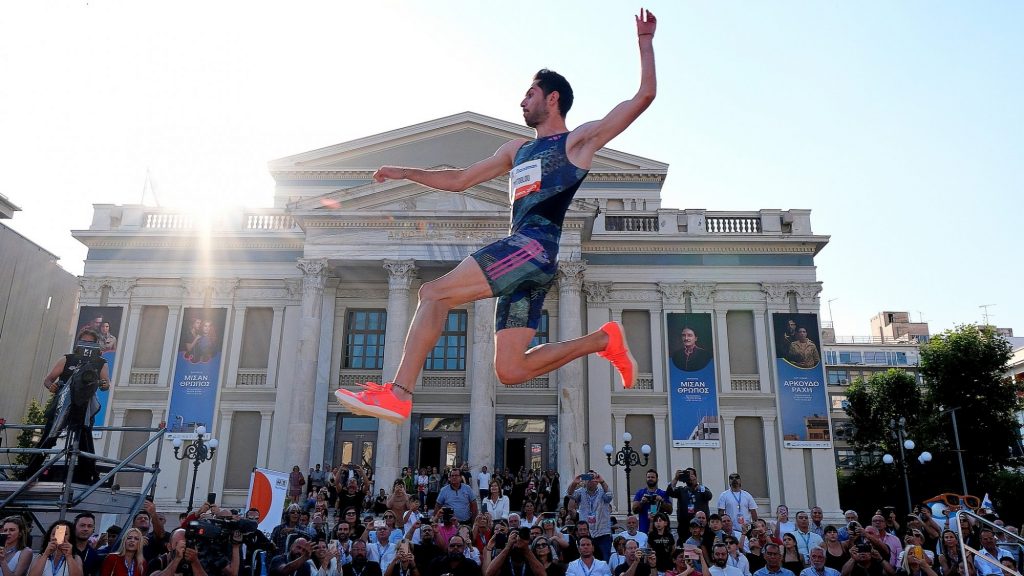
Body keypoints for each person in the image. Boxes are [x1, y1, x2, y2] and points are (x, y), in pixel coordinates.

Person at [336, 9, 659, 423]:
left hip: (531, 249)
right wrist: (405, 172)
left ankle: (398, 394)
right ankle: (602, 340)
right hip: (531, 266)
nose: (522, 101)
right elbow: (461, 179)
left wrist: (644, 43)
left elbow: (643, 97)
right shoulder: (516, 151)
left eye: (530, 94)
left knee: (433, 293)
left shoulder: (576, 143)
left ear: (552, 98)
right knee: (510, 369)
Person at [23, 328, 111, 483]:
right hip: (62, 404)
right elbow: (48, 380)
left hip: (85, 406)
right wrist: (51, 386)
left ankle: (88, 478)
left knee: (84, 442)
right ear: (78, 343)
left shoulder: (101, 363)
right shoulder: (66, 359)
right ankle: (28, 474)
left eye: (90, 343)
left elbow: (106, 384)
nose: (87, 346)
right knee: (48, 437)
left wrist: (104, 384)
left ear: (96, 345)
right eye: (84, 342)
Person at [572, 473, 614, 561]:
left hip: (602, 532)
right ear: (585, 480)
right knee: (587, 559)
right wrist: (574, 483)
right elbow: (570, 494)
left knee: (604, 560)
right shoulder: (581, 492)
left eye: (593, 478)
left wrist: (602, 482)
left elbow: (610, 496)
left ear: (597, 481)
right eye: (588, 478)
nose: (591, 480)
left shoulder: (602, 492)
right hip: (587, 533)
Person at [667, 469, 713, 544]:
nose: (689, 477)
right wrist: (676, 478)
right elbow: (669, 492)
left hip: (700, 528)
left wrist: (697, 485)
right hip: (684, 528)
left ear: (695, 477)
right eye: (687, 475)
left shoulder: (702, 489)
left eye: (691, 475)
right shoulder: (681, 490)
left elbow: (709, 496)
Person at [631, 470, 672, 535]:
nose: (650, 479)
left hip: (659, 529)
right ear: (646, 479)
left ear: (657, 479)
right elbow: (634, 510)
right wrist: (642, 502)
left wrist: (661, 501)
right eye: (648, 477)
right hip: (644, 528)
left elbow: (670, 511)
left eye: (652, 477)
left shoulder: (663, 493)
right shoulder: (640, 493)